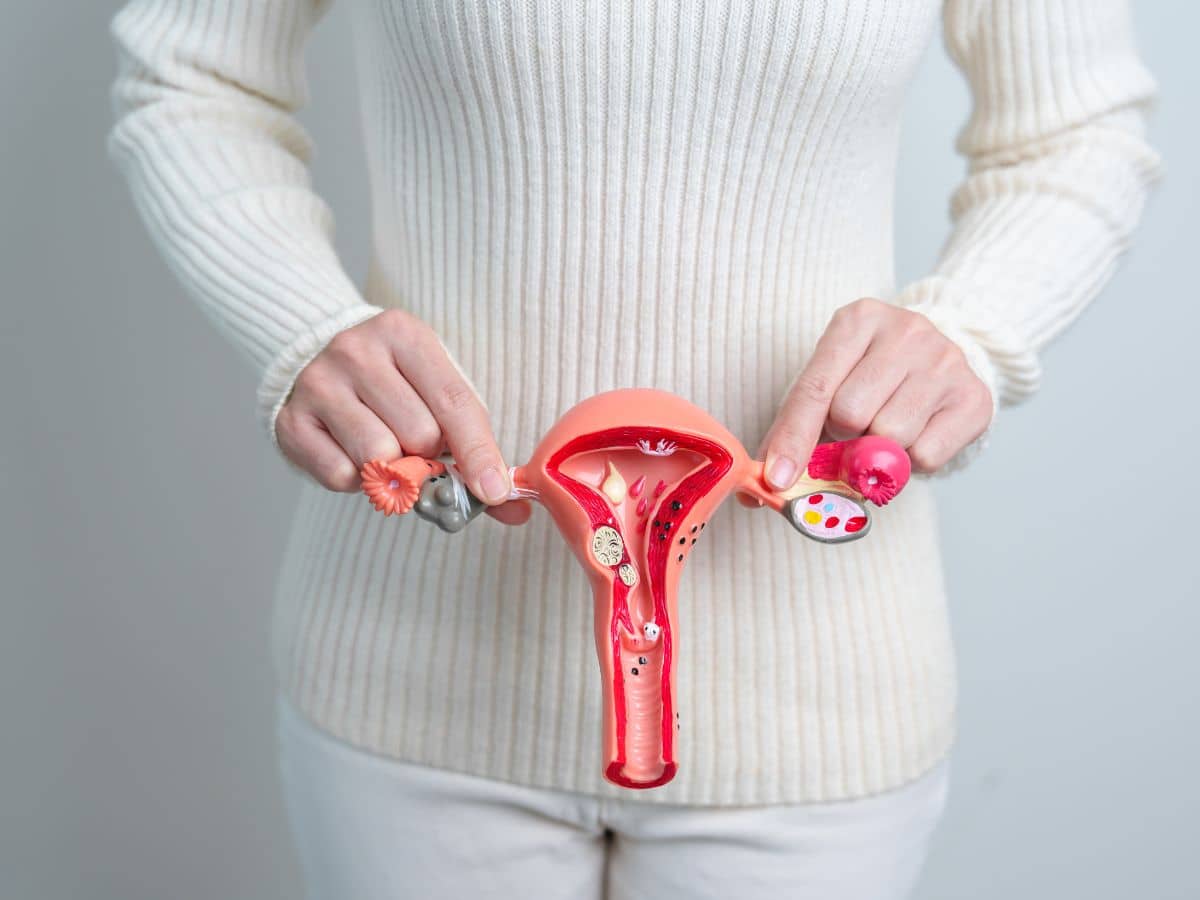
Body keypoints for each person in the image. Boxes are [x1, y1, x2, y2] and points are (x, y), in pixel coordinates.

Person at [108, 1, 1160, 897]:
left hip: (818, 705)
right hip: (409, 674)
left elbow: (1075, 129)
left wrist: (976, 330)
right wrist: (299, 323)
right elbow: (192, 74)